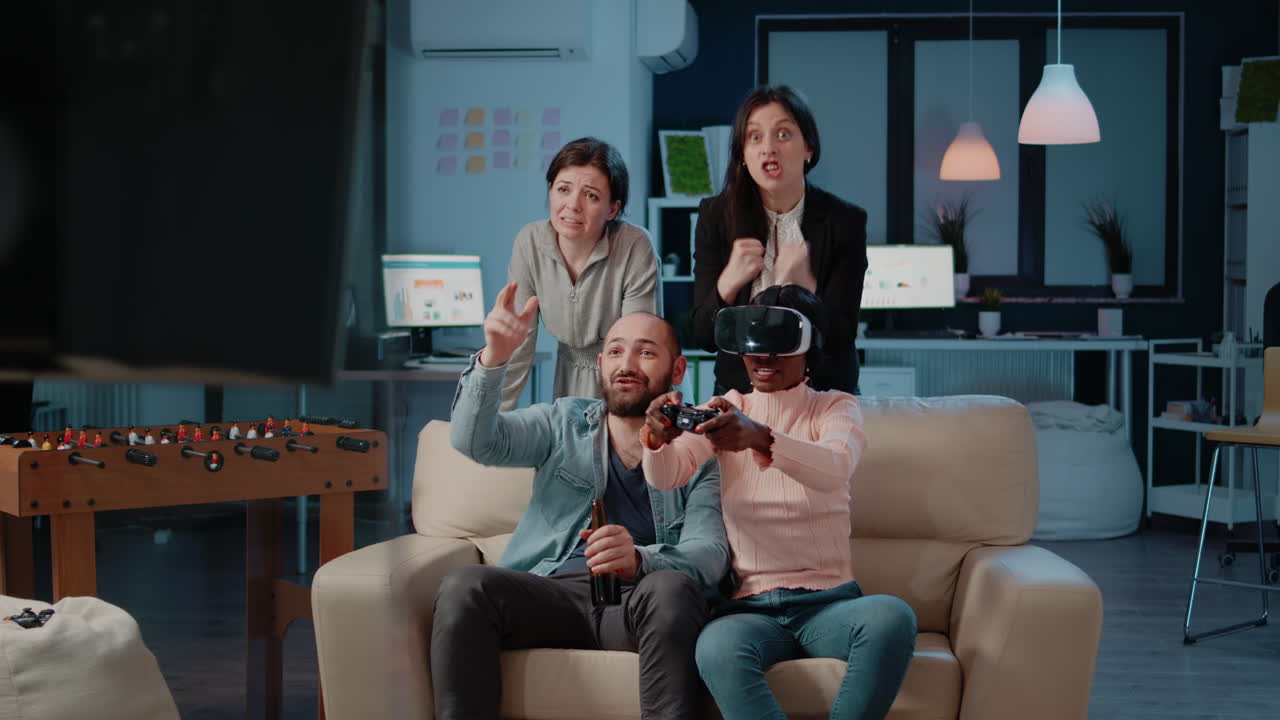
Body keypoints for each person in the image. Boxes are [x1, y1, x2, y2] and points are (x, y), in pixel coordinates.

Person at [431, 282, 729, 720]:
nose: (626, 365)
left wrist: (640, 560)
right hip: (553, 594)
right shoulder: (561, 422)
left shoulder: (700, 452)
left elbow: (709, 555)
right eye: (614, 352)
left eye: (645, 353)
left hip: (639, 603)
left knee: (671, 590)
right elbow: (475, 442)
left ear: (677, 369)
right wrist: (493, 359)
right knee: (464, 586)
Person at [642, 285, 916, 720]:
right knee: (714, 646)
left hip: (830, 604)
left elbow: (834, 467)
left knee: (892, 617)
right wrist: (657, 438)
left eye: (779, 344)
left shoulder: (835, 408)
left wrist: (760, 438)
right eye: (755, 345)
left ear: (811, 352)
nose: (763, 357)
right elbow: (666, 476)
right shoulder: (726, 408)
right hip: (752, 608)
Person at [691, 85, 868, 395]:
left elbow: (842, 337)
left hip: (822, 392)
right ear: (743, 155)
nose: (768, 148)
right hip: (742, 394)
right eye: (755, 137)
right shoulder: (716, 215)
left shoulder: (845, 220)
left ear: (809, 148)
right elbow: (704, 336)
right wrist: (728, 285)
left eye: (783, 134)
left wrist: (807, 290)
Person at [499, 137, 659, 410]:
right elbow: (519, 342)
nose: (573, 205)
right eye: (563, 189)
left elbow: (639, 346)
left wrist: (634, 424)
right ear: (550, 191)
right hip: (569, 378)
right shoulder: (529, 243)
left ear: (612, 209)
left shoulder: (634, 245)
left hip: (637, 380)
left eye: (591, 196)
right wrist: (492, 421)